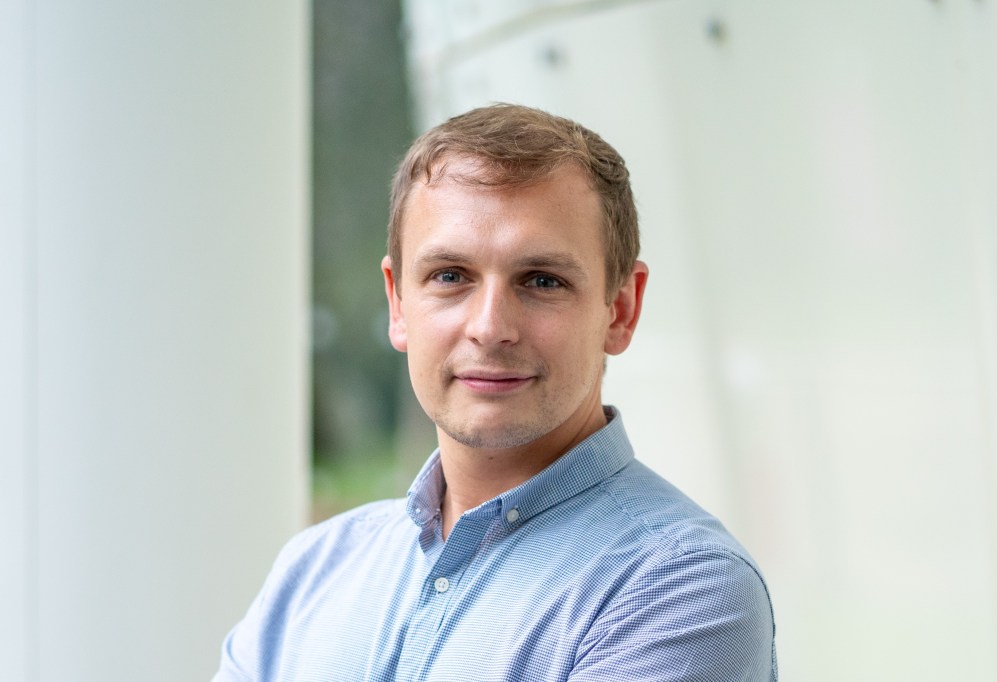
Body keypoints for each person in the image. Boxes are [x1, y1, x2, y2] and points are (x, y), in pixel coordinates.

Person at [214, 103, 777, 681]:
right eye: (450, 276)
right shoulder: (312, 573)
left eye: (542, 280)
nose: (489, 327)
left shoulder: (680, 588)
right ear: (398, 303)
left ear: (621, 309)